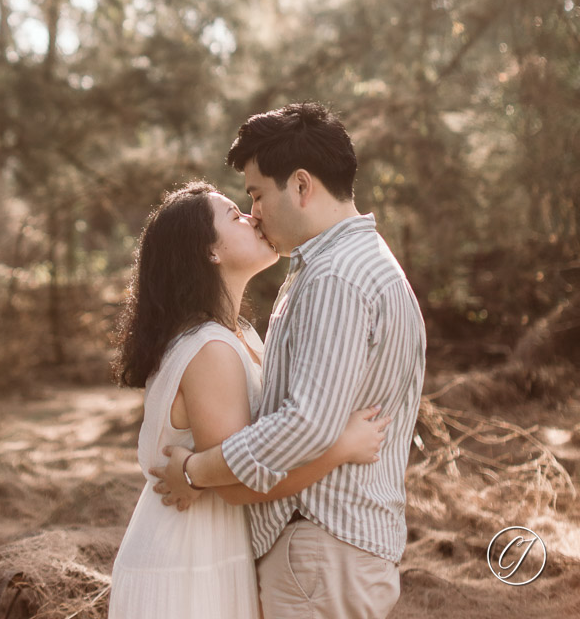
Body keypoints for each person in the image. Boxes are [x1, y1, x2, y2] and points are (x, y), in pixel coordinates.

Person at [153, 103, 427, 619]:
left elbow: (307, 422)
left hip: (320, 549)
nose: (252, 210)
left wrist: (194, 471)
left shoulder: (335, 277)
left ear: (301, 186)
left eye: (256, 193)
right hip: (330, 550)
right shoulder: (347, 265)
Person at [109, 179, 390, 619]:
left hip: (214, 548)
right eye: (234, 215)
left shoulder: (240, 336)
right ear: (210, 251)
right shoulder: (211, 349)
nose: (252, 216)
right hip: (190, 560)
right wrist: (341, 448)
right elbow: (240, 486)